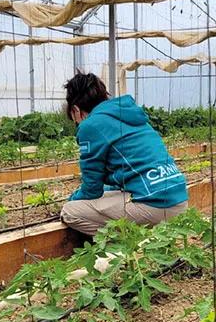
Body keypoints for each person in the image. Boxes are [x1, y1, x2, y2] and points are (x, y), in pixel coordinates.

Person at [58, 72, 188, 237]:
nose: (76, 123)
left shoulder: (91, 125)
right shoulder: (129, 114)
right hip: (178, 199)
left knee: (71, 212)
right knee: (108, 193)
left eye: (74, 118)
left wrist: (73, 198)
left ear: (76, 110)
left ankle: (126, 245)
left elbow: (92, 189)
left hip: (158, 207)